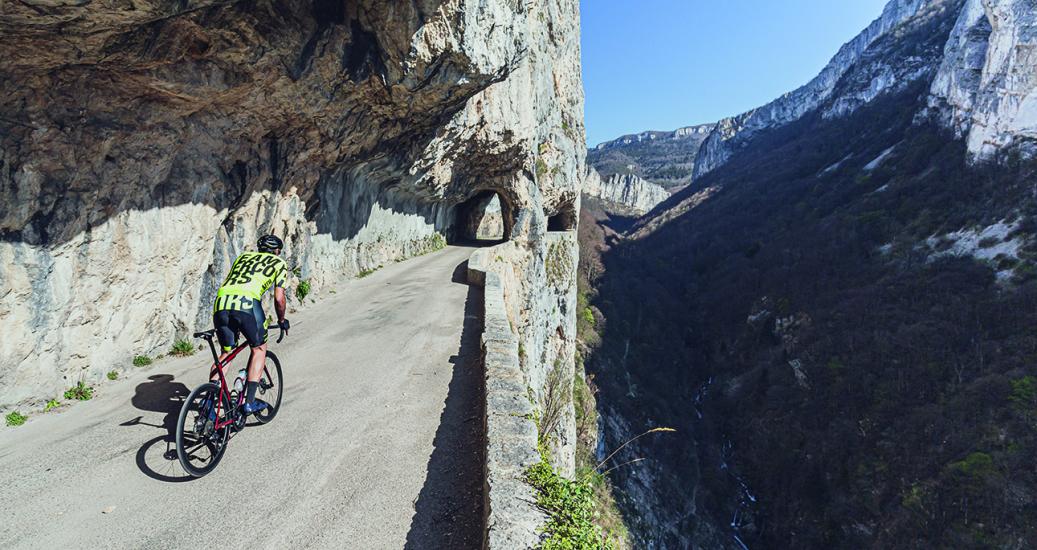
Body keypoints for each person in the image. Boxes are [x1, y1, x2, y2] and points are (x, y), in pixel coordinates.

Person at [212, 234, 290, 415]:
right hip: (247, 305)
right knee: (259, 349)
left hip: (221, 303)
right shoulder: (279, 263)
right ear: (277, 251)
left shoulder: (243, 257)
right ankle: (249, 402)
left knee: (226, 352)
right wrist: (281, 320)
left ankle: (210, 404)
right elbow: (279, 298)